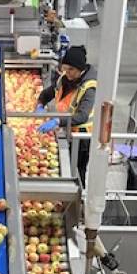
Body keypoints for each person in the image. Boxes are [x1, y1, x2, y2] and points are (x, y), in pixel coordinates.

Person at [35, 46, 98, 182]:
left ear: (80, 69)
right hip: (65, 130)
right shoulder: (64, 78)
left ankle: (79, 198)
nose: (67, 72)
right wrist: (40, 104)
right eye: (65, 68)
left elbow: (82, 116)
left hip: (80, 136)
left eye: (71, 69)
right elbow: (48, 93)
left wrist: (57, 121)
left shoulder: (89, 87)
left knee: (76, 172)